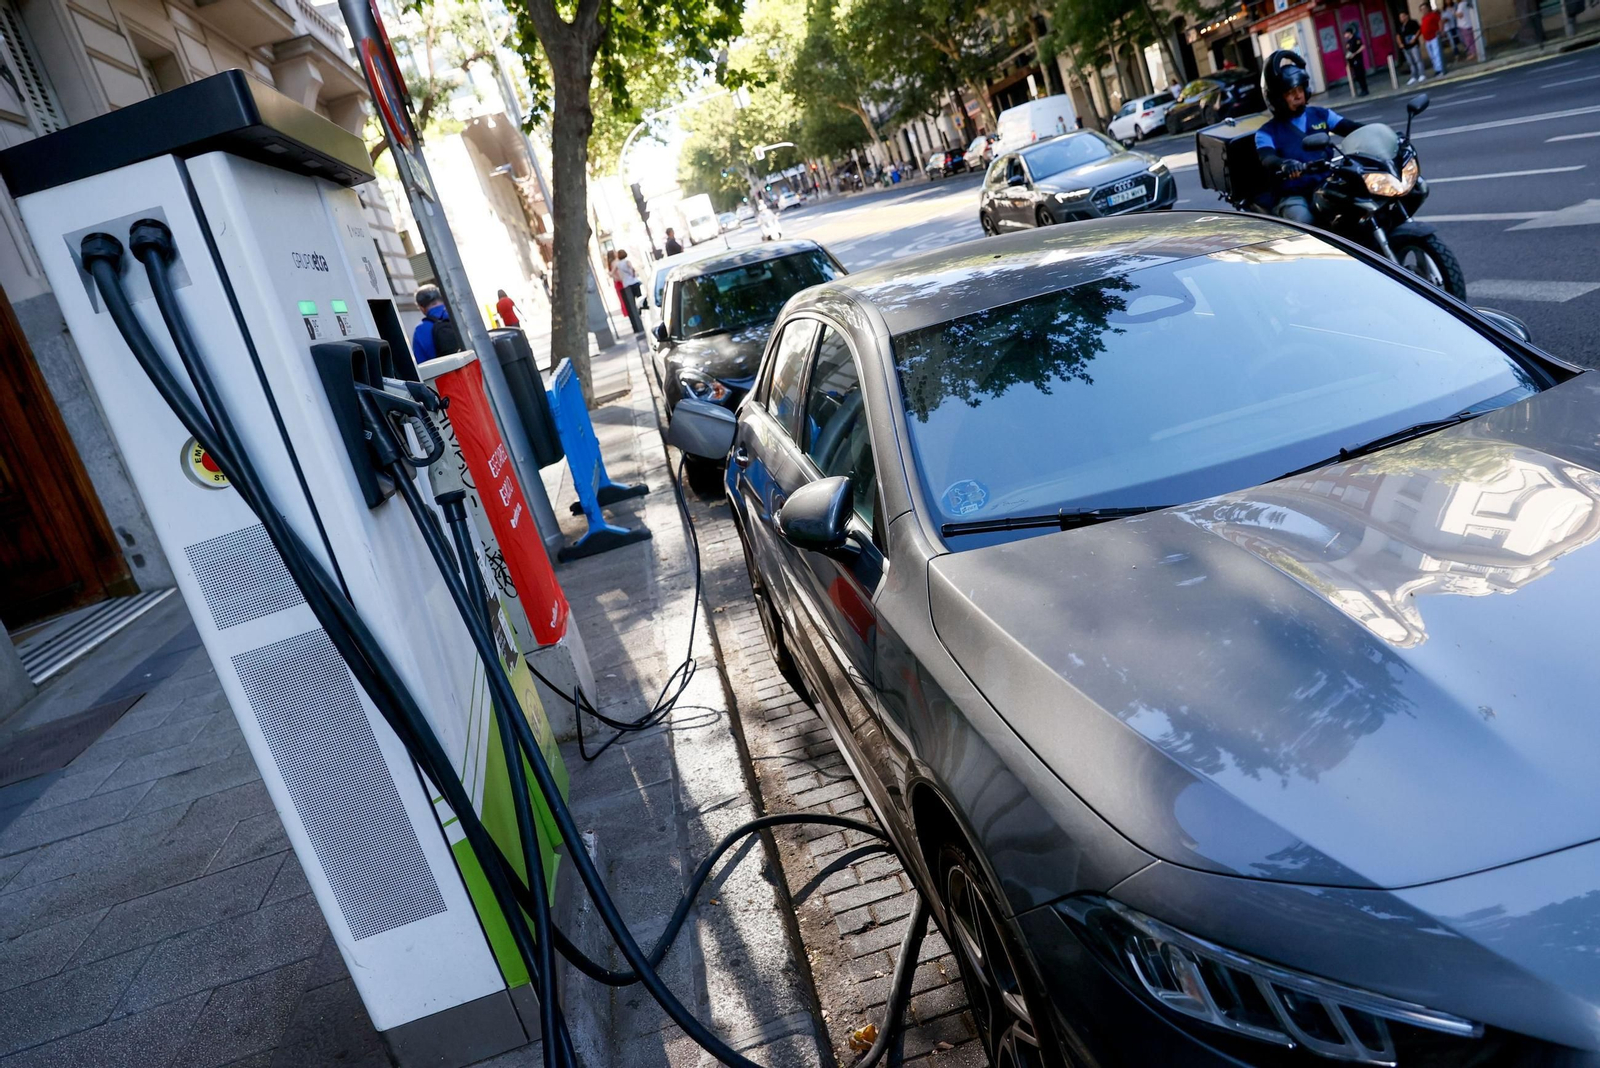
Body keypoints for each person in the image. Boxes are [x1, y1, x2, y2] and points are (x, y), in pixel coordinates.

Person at [1254, 50, 1363, 225]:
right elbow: (1267, 158)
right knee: (1307, 222)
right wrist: (1284, 164)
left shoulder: (1321, 115)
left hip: (1326, 184)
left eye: (1300, 89)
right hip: (1293, 194)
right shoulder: (1266, 132)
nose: (1298, 95)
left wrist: (1381, 133)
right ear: (1277, 99)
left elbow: (1351, 128)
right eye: (1290, 92)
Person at [411, 285, 462, 363]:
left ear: (421, 308)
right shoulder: (459, 315)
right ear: (442, 299)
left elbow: (421, 365)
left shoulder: (420, 330)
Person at [609, 250, 643, 333]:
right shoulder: (627, 261)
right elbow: (632, 269)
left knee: (631, 304)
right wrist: (633, 274)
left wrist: (620, 278)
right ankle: (642, 314)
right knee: (640, 300)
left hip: (626, 285)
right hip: (634, 282)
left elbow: (611, 273)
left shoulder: (617, 264)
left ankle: (637, 320)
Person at [1420, 2, 1446, 77]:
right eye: (1422, 9)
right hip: (1427, 39)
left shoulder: (1433, 15)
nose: (1423, 10)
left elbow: (1440, 22)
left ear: (1428, 8)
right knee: (1432, 55)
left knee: (1436, 54)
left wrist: (1441, 31)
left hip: (1434, 37)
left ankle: (1440, 69)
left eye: (1424, 8)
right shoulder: (1423, 18)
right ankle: (1436, 69)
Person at [1399, 14, 1426, 83]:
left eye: (1403, 16)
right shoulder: (1401, 26)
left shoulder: (1413, 22)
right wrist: (1400, 43)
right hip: (1405, 46)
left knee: (1418, 60)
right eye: (1400, 17)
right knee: (1411, 62)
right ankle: (1414, 76)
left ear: (1406, 16)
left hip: (1413, 45)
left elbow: (1419, 30)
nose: (1401, 18)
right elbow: (1398, 35)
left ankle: (1422, 74)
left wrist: (1414, 38)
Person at [1344, 25, 1369, 96]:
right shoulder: (1348, 42)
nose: (1345, 35)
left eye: (1346, 33)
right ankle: (1362, 89)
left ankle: (1365, 90)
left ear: (1350, 33)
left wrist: (1355, 53)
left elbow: (1362, 47)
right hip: (1352, 61)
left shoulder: (1356, 39)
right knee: (1357, 76)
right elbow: (1349, 51)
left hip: (1358, 59)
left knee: (1361, 75)